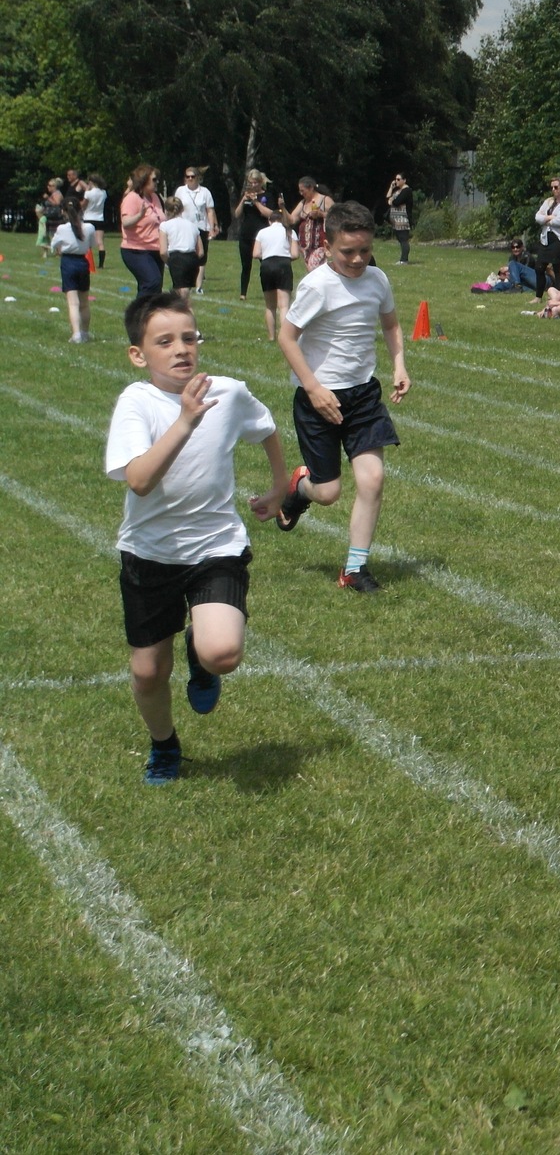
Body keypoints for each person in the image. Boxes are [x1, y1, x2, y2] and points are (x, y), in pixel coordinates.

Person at [105, 293, 293, 784]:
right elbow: (140, 479)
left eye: (189, 337)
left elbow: (267, 426)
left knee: (222, 653)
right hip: (150, 553)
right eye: (164, 341)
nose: (182, 349)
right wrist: (186, 420)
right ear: (138, 354)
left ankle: (201, 654)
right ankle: (165, 745)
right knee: (148, 672)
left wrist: (278, 487)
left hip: (216, 547)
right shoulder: (137, 402)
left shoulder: (227, 392)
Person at [273, 201, 410, 592]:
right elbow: (287, 337)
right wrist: (314, 389)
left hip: (363, 395)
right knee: (328, 492)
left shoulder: (377, 280)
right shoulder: (317, 286)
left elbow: (391, 324)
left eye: (364, 250)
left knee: (373, 479)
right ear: (328, 247)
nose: (357, 259)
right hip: (319, 399)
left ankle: (354, 569)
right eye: (348, 251)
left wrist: (399, 365)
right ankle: (299, 486)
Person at [52, 196, 99, 342]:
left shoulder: (62, 228)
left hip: (68, 262)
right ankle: (85, 333)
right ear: (80, 209)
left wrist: (60, 248)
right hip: (82, 263)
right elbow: (93, 244)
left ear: (64, 212)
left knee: (73, 302)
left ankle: (76, 334)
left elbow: (54, 245)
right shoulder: (89, 227)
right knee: (84, 302)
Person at [119, 165, 167, 297]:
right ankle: (139, 313)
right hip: (136, 250)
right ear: (143, 180)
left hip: (155, 249)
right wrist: (140, 215)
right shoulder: (132, 198)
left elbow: (160, 220)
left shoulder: (155, 197)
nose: (157, 182)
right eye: (154, 179)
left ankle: (148, 316)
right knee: (152, 281)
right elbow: (126, 223)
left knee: (155, 288)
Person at [254, 213, 299, 342]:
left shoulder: (262, 232)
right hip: (283, 264)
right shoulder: (290, 232)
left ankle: (271, 336)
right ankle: (285, 336)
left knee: (270, 306)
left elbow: (256, 253)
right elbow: (295, 254)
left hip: (267, 265)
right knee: (284, 305)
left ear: (270, 221)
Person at [234, 171, 278, 300]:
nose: (252, 185)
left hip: (261, 234)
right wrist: (244, 199)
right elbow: (237, 214)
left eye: (255, 182)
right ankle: (243, 294)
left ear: (260, 183)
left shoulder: (267, 196)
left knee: (265, 265)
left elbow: (270, 213)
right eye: (250, 183)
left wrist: (256, 202)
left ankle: (269, 290)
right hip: (246, 235)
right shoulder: (246, 196)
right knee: (245, 265)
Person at [173, 167, 217, 294]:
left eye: (192, 176)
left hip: (200, 227)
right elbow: (175, 207)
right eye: (188, 177)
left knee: (201, 256)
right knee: (185, 255)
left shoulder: (205, 192)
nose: (190, 179)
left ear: (198, 177)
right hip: (184, 227)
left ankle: (198, 286)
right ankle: (185, 281)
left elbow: (210, 210)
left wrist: (212, 227)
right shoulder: (181, 191)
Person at [535, 177, 560, 290]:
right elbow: (537, 217)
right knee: (539, 267)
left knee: (558, 268)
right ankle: (538, 295)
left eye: (556, 187)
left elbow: (559, 221)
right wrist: (550, 217)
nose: (553, 189)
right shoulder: (548, 201)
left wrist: (546, 219)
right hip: (546, 238)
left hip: (559, 238)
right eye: (552, 187)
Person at [287, 177, 332, 272]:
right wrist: (282, 208)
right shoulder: (303, 203)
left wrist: (321, 214)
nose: (301, 193)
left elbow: (337, 216)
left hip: (320, 244)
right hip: (305, 247)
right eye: (300, 191)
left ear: (311, 188)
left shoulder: (324, 200)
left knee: (313, 269)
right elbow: (291, 219)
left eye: (303, 191)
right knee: (314, 272)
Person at [160, 204, 202, 298]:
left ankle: (183, 310)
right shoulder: (192, 225)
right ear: (182, 210)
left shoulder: (165, 225)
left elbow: (163, 251)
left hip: (177, 257)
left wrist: (169, 262)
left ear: (166, 211)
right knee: (185, 291)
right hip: (192, 258)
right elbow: (201, 251)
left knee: (181, 292)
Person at [387, 173, 415, 265]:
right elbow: (388, 198)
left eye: (399, 179)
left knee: (403, 239)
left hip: (403, 220)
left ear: (404, 180)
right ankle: (403, 259)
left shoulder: (406, 191)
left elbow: (397, 202)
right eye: (396, 179)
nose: (396, 181)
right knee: (400, 239)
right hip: (396, 220)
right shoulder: (398, 191)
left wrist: (392, 201)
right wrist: (391, 187)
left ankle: (404, 260)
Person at [82, 173, 109, 268]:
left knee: (87, 242)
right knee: (100, 242)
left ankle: (88, 262)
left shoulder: (88, 193)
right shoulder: (104, 193)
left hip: (88, 218)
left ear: (91, 182)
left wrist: (86, 190)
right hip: (99, 218)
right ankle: (101, 264)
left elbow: (83, 205)